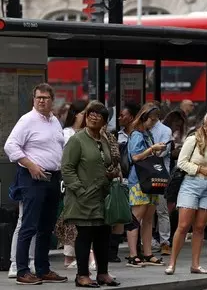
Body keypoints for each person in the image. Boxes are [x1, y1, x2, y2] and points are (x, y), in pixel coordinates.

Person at [4, 83, 67, 285]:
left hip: (53, 177)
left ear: (52, 100)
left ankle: (42, 268)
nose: (42, 101)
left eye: (45, 98)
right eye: (38, 97)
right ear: (34, 99)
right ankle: (22, 270)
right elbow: (10, 146)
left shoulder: (55, 121)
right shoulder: (27, 120)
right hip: (32, 177)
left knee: (46, 227)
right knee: (29, 225)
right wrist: (30, 165)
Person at [62, 101, 120, 287]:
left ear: (104, 121)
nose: (94, 117)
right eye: (91, 114)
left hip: (103, 196)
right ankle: (82, 275)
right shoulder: (77, 140)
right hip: (83, 197)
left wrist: (111, 173)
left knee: (103, 235)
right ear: (86, 117)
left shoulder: (103, 140)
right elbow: (67, 168)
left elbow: (108, 162)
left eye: (99, 115)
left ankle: (103, 273)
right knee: (84, 236)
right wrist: (79, 189)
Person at [165, 111, 207, 275]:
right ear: (205, 126)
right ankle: (172, 263)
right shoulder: (193, 140)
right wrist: (200, 169)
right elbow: (182, 163)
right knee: (183, 226)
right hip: (191, 184)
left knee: (200, 227)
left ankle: (195, 265)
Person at [126, 103, 167, 268]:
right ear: (144, 117)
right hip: (139, 181)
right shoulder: (137, 135)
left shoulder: (147, 134)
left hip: (149, 181)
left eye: (156, 120)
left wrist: (155, 150)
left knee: (149, 219)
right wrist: (152, 149)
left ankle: (148, 253)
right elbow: (135, 157)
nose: (153, 122)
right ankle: (133, 255)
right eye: (152, 119)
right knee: (136, 218)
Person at [55, 100, 90, 269]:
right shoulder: (67, 133)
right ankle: (71, 256)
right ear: (77, 114)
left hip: (89, 181)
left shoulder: (90, 132)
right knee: (72, 218)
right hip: (73, 182)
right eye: (85, 113)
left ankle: (75, 255)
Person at [150, 101, 174, 256]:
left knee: (162, 209)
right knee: (145, 210)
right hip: (144, 174)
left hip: (160, 173)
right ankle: (148, 241)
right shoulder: (142, 130)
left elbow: (162, 152)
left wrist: (148, 151)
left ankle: (165, 241)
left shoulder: (165, 130)